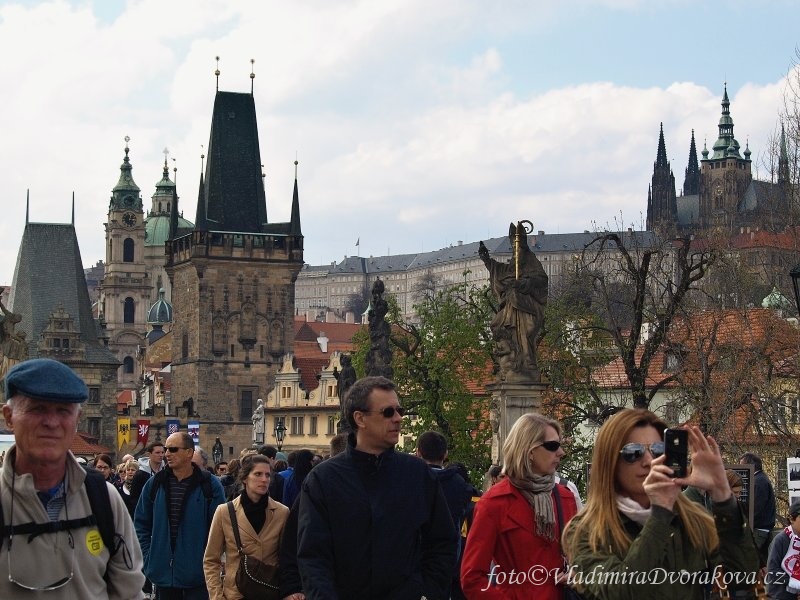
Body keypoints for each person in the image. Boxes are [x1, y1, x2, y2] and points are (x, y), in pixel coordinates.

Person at [562, 409, 760, 599]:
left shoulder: (693, 520)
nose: (649, 461)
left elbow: (743, 577)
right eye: (633, 452)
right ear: (610, 462)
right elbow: (621, 592)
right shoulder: (586, 530)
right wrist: (660, 514)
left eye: (658, 450)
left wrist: (722, 494)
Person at [298, 376, 458, 599]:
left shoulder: (417, 474)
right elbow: (313, 557)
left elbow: (444, 542)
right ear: (360, 418)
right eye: (388, 412)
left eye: (399, 410)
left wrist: (425, 592)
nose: (399, 418)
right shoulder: (323, 479)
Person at [0, 357, 144, 598]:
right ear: (9, 417)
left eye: (63, 411)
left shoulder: (103, 499)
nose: (51, 422)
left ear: (77, 421)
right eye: (37, 409)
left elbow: (129, 593)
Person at [461, 412, 577, 599]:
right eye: (552, 446)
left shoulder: (565, 498)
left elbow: (582, 560)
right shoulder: (494, 503)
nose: (561, 452)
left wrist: (577, 574)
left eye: (560, 445)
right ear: (530, 451)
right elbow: (472, 578)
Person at [135, 431, 226, 599]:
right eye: (166, 449)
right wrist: (149, 557)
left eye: (173, 449)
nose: (167, 454)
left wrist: (209, 560)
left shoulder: (210, 485)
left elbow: (220, 528)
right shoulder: (155, 483)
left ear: (189, 452)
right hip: (163, 574)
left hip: (198, 575)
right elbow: (141, 524)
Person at [203, 454, 289, 600]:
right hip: (235, 593)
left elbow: (286, 558)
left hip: (269, 592)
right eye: (258, 474)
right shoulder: (225, 511)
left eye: (268, 475)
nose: (264, 479)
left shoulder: (282, 512)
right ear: (244, 478)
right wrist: (217, 596)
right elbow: (211, 560)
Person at [478, 222, 548, 382]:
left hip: (527, 309)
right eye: (514, 250)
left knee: (526, 333)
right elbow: (501, 271)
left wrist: (523, 283)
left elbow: (541, 280)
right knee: (499, 325)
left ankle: (526, 363)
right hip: (510, 307)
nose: (516, 253)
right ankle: (511, 364)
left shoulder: (532, 262)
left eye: (519, 250)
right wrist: (487, 261)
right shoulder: (512, 266)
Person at [741, 451, 777, 564]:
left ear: (749, 466)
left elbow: (755, 509)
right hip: (761, 528)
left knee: (750, 561)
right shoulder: (761, 479)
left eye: (742, 465)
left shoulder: (758, 482)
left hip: (758, 529)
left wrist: (744, 522)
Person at [766, 499, 800, 599]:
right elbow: (772, 571)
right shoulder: (781, 540)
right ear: (792, 519)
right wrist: (795, 583)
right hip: (780, 594)